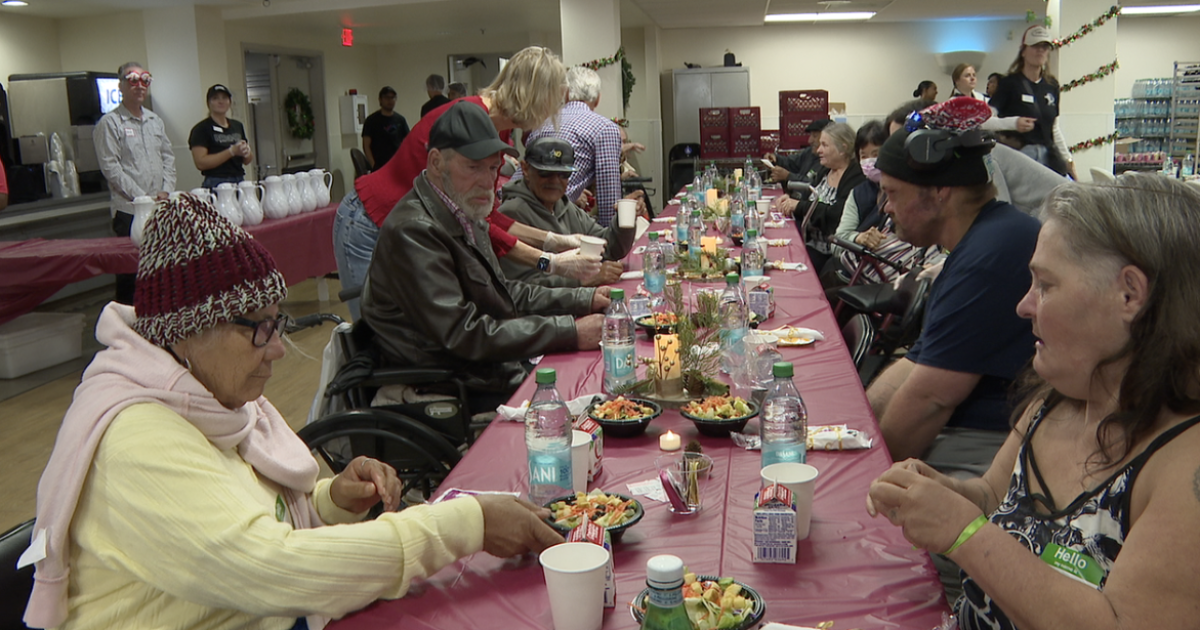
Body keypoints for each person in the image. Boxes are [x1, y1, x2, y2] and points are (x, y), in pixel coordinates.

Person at [22, 193, 564, 630]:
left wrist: (330, 501)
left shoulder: (207, 395)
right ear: (188, 331)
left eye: (277, 322)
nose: (278, 348)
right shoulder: (136, 439)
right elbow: (273, 567)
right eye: (260, 328)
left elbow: (249, 517)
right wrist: (467, 523)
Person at [868, 174, 1200, 630]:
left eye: (1045, 284)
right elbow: (992, 498)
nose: (1024, 306)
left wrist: (964, 533)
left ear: (1129, 294)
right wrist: (942, 493)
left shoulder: (1184, 461)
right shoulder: (1055, 404)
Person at [362, 101, 610, 410]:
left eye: (492, 168)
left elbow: (502, 292)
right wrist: (570, 331)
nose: (486, 181)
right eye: (473, 167)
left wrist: (585, 299)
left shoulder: (465, 211)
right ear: (436, 162)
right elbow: (465, 333)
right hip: (454, 380)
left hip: (483, 367)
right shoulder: (414, 231)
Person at [333, 46, 598, 319]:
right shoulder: (462, 119)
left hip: (401, 226)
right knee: (374, 330)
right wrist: (549, 261)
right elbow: (480, 225)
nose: (549, 115)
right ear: (534, 96)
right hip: (367, 221)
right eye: (551, 103)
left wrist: (555, 241)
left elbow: (486, 215)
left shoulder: (495, 127)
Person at [867, 98, 1041, 477]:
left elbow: (930, 399)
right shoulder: (983, 240)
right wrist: (859, 429)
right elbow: (917, 362)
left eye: (893, 193)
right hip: (967, 431)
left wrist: (866, 473)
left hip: (987, 446)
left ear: (939, 191)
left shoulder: (989, 256)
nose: (885, 208)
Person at [498, 137, 634, 287]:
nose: (555, 180)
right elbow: (522, 285)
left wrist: (625, 220)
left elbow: (606, 248)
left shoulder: (564, 206)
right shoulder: (511, 214)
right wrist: (582, 280)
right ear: (525, 169)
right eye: (545, 173)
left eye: (563, 174)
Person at [94, 61, 175, 305]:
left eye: (145, 80)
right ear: (120, 86)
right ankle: (128, 321)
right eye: (133, 80)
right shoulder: (110, 123)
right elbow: (111, 167)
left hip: (159, 209)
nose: (140, 86)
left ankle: (159, 317)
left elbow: (168, 158)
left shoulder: (155, 121)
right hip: (129, 212)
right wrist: (142, 197)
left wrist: (166, 190)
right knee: (131, 272)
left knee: (161, 268)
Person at [523, 66, 630, 227]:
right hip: (550, 217)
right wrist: (609, 237)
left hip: (520, 211)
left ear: (566, 95)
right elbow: (609, 197)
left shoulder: (543, 124)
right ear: (598, 99)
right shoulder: (604, 128)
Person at [989, 25, 1077, 179]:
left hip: (1048, 158)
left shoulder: (1051, 85)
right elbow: (986, 120)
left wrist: (1068, 160)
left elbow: (1054, 128)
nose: (1040, 50)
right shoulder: (1009, 83)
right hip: (1019, 156)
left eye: (1045, 47)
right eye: (1035, 46)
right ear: (1023, 51)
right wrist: (1013, 123)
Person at [775, 122, 865, 271]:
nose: (818, 150)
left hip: (829, 254)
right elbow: (809, 200)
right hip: (811, 244)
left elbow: (836, 214)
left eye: (825, 145)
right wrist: (791, 202)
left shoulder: (855, 177)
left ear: (843, 149)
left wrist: (799, 206)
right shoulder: (825, 171)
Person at [188, 84, 253, 189]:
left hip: (239, 179)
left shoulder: (237, 126)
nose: (221, 101)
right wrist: (231, 152)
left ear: (230, 102)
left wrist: (246, 152)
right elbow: (200, 163)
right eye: (215, 98)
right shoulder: (201, 129)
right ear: (209, 103)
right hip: (216, 181)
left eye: (224, 98)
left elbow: (247, 160)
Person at [764, 118, 830, 185]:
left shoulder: (830, 163)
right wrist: (776, 159)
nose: (809, 141)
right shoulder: (809, 153)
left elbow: (815, 184)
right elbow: (792, 162)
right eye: (810, 135)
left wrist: (788, 176)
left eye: (815, 136)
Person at [361, 86, 409, 170]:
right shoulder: (371, 120)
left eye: (392, 98)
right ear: (380, 100)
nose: (390, 100)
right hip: (379, 165)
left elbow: (408, 142)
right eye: (387, 98)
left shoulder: (400, 120)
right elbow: (366, 145)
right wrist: (373, 165)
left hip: (397, 164)